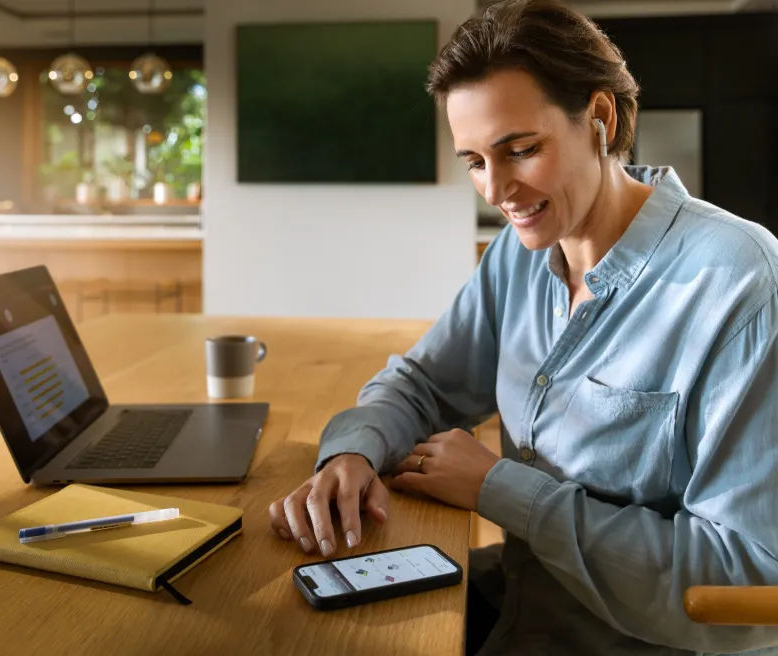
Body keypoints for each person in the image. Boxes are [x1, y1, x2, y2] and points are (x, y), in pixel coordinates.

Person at [267, 0, 778, 653]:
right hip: (524, 598)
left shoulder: (742, 286)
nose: (496, 190)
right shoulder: (521, 252)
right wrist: (352, 453)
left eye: (521, 150)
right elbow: (424, 384)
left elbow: (746, 584)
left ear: (599, 119)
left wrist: (499, 488)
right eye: (475, 161)